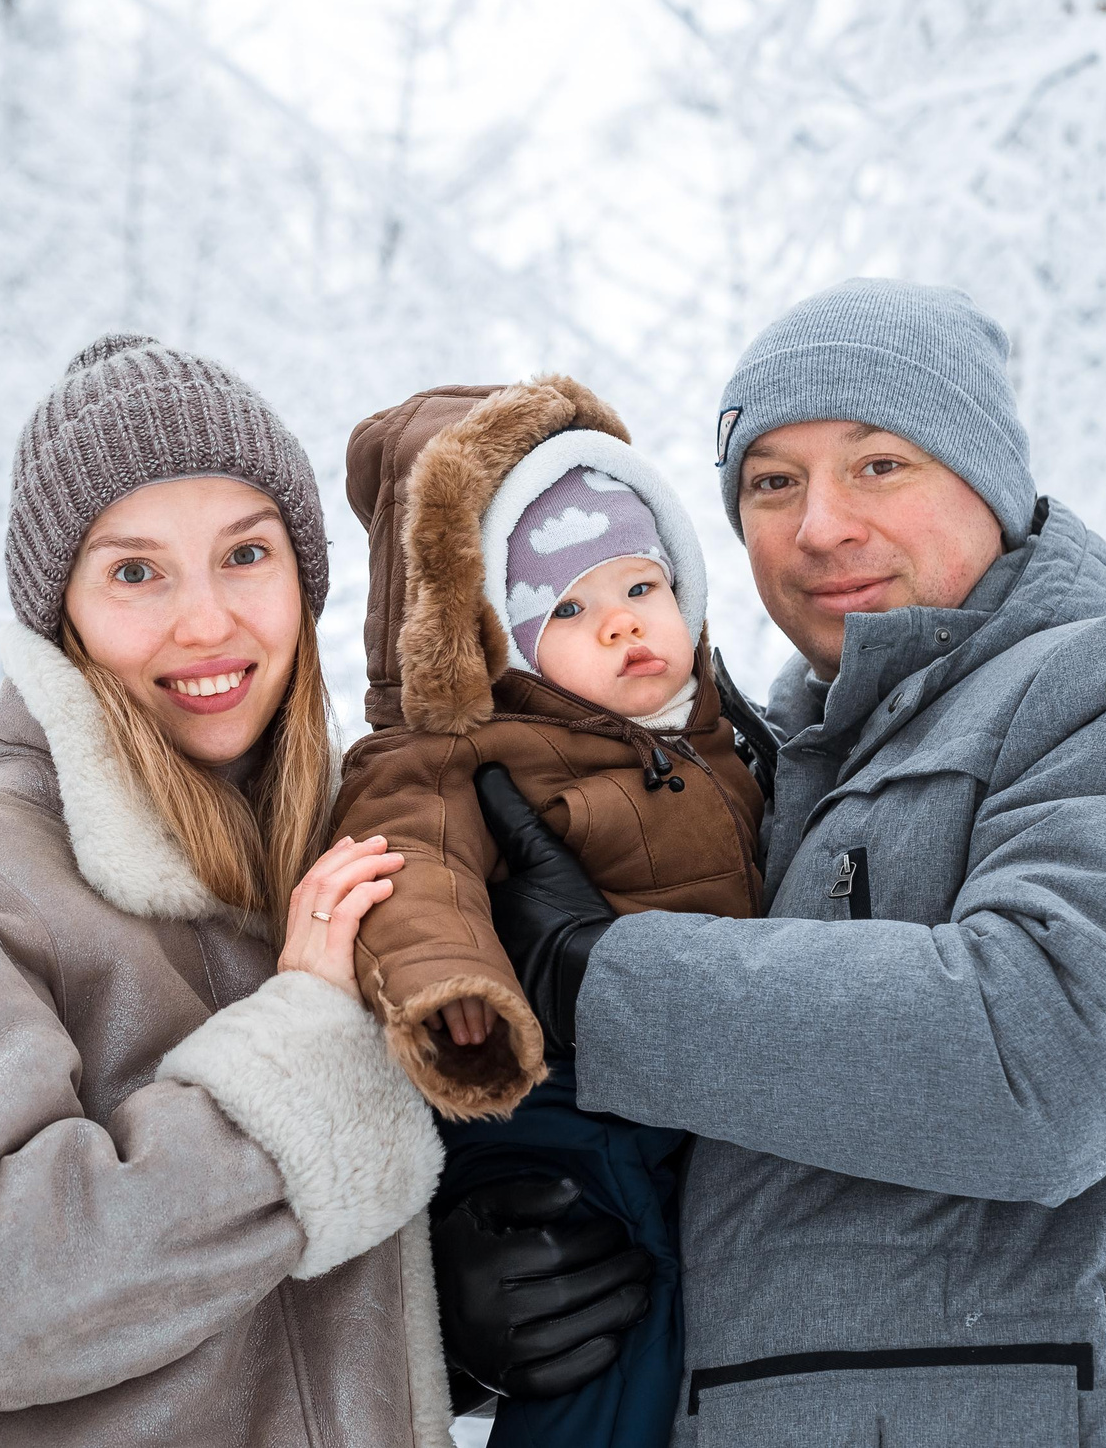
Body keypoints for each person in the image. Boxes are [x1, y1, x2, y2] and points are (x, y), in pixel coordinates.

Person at [441, 282, 1106, 1446]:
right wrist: (478, 1277)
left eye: (879, 464)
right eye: (771, 482)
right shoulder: (744, 771)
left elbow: (1043, 1062)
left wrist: (596, 976)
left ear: (989, 477)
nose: (820, 526)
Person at [0, 333, 454, 1447]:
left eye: (245, 555)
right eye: (135, 572)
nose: (204, 621)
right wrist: (299, 1055)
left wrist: (474, 1320)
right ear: (60, 615)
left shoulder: (342, 862)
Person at [330, 377, 773, 1448]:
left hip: (677, 1084)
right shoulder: (460, 755)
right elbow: (413, 873)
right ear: (498, 640)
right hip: (559, 1104)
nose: (621, 624)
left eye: (639, 584)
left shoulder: (720, 729)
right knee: (607, 1337)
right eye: (566, 610)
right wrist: (455, 990)